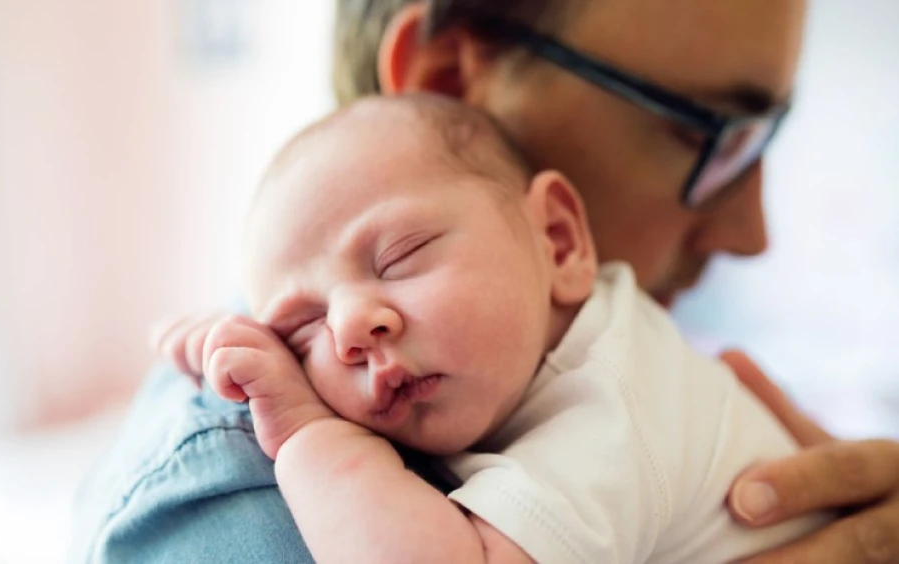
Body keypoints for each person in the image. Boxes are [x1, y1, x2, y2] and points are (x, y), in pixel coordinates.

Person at [70, 1, 899, 562]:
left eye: (758, 140)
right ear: (451, 85)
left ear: (560, 234)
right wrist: (305, 433)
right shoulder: (236, 495)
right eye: (700, 130)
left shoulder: (611, 388)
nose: (752, 233)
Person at [202, 92, 830, 562]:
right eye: (300, 331)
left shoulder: (612, 408)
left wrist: (312, 437)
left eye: (400, 257)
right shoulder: (535, 345)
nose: (349, 330)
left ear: (557, 242)